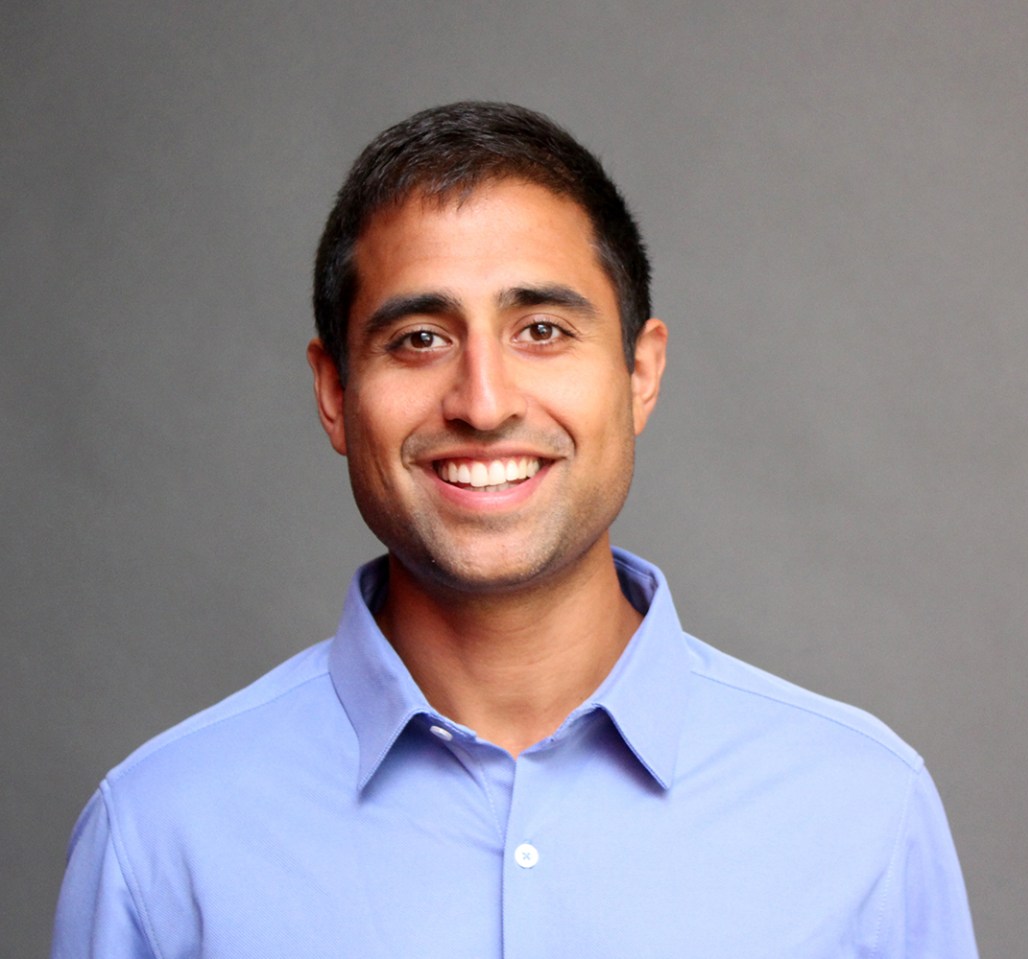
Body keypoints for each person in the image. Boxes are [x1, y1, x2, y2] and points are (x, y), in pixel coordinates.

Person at [51, 101, 979, 958]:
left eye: (541, 329)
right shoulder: (159, 836)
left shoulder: (861, 809)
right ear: (336, 394)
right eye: (419, 338)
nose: (483, 404)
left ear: (639, 373)